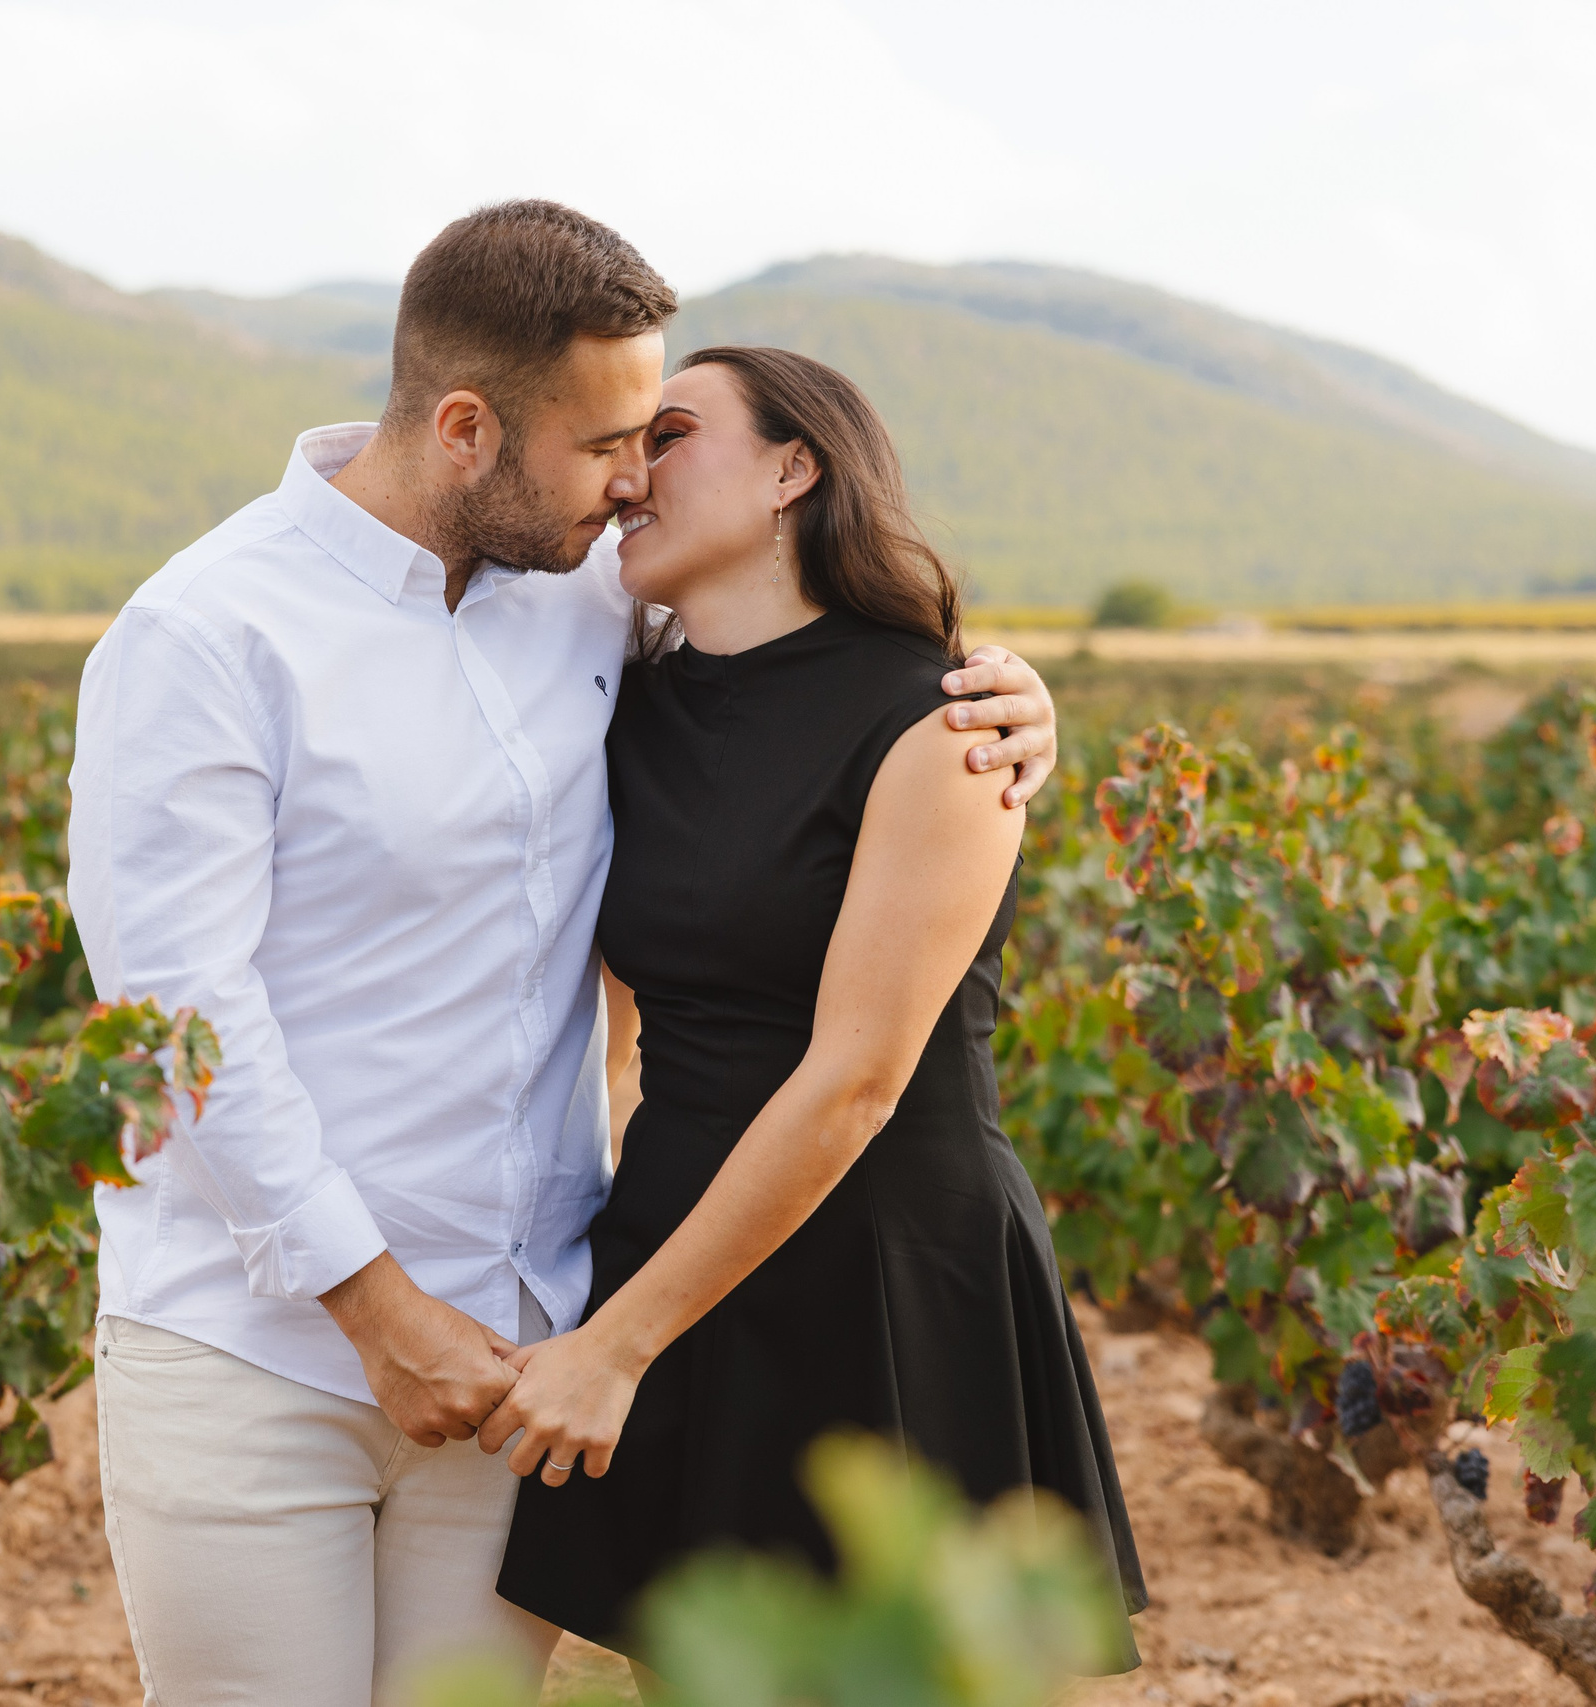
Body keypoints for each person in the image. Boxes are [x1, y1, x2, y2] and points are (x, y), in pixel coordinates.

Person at [67, 202, 1065, 1707]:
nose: (633, 482)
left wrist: (1011, 702)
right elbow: (176, 1019)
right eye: (611, 443)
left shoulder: (592, 592)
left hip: (522, 1342)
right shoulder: (208, 635)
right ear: (467, 428)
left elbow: (802, 666)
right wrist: (377, 1309)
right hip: (256, 1343)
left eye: (657, 443)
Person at [487, 345, 1145, 1675]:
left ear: (793, 469)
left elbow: (857, 1078)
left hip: (885, 1263)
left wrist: (619, 1341)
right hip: (684, 1237)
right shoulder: (630, 708)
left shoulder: (943, 722)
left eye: (668, 433)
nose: (630, 476)